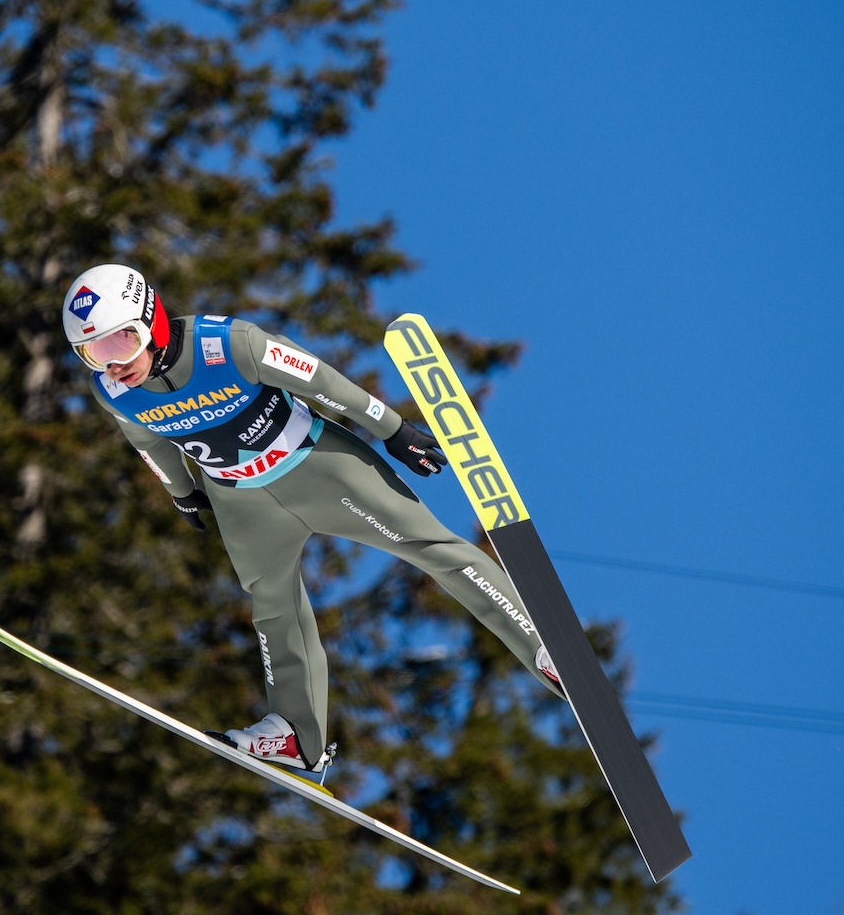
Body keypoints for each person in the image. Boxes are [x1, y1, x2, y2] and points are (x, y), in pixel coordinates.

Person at [64, 264, 562, 780]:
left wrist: (391, 430)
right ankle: (297, 735)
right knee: (273, 605)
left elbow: (321, 381)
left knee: (429, 547)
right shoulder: (115, 392)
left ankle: (542, 645)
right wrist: (182, 493)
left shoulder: (230, 344)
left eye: (118, 343)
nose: (112, 364)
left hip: (318, 467)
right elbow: (147, 441)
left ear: (152, 322)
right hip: (241, 501)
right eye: (92, 353)